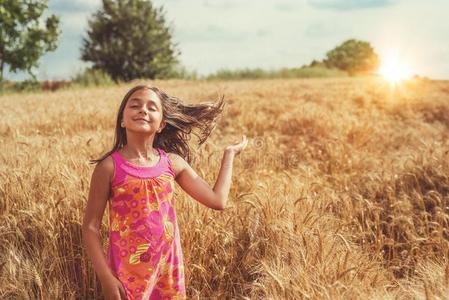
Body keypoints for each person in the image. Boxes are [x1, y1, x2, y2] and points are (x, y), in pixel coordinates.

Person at [81, 84, 248, 300]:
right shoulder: (109, 167)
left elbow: (218, 200)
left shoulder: (172, 163)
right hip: (127, 276)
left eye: (152, 107)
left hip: (168, 274)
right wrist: (105, 277)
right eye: (135, 105)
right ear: (122, 120)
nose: (143, 110)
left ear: (161, 124)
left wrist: (230, 154)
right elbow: (90, 227)